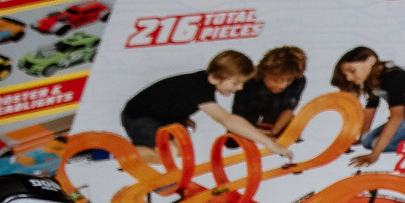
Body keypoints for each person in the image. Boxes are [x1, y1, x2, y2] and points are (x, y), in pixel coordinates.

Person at [118, 50, 282, 153]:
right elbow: (228, 120)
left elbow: (172, 98)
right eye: (235, 83)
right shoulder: (199, 88)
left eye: (242, 83)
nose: (239, 88)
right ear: (213, 78)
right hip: (139, 117)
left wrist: (181, 115)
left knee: (182, 150)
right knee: (169, 153)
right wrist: (267, 143)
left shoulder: (202, 83)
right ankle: (118, 152)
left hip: (165, 117)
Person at [233, 45, 308, 140]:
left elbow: (289, 109)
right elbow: (237, 118)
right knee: (234, 140)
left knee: (293, 132)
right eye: (276, 80)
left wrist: (274, 132)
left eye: (289, 80)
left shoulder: (298, 80)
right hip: (248, 116)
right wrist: (262, 136)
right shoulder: (248, 82)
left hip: (275, 114)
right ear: (264, 73)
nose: (283, 86)